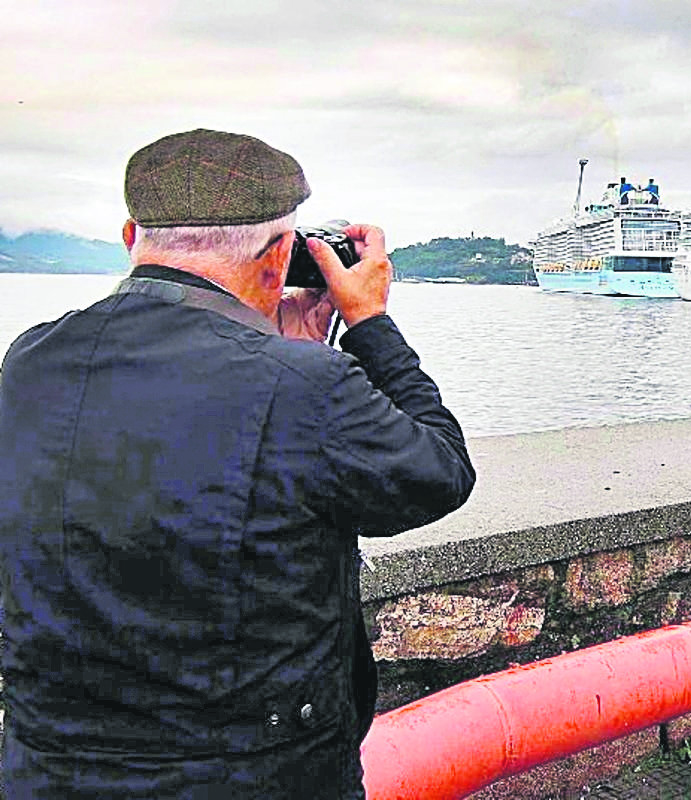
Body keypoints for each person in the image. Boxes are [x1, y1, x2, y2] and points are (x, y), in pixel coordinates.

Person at [0, 129, 476, 798]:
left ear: (132, 235)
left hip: (47, 772)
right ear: (281, 254)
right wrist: (365, 321)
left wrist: (283, 347)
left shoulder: (30, 360)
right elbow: (440, 472)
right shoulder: (304, 386)